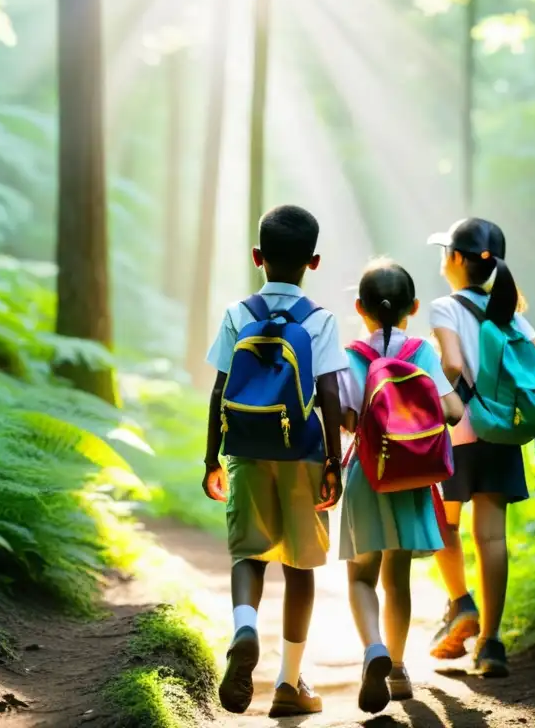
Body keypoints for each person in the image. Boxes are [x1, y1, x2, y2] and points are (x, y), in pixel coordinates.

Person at [203, 205, 345, 718]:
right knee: (301, 565)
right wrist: (333, 461)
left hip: (244, 449)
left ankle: (244, 627)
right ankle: (289, 682)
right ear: (315, 261)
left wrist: (210, 459)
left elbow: (220, 388)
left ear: (257, 256)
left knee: (249, 555)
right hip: (303, 452)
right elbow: (328, 390)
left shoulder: (238, 314)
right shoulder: (322, 320)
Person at [425, 218, 535, 678]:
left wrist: (446, 394)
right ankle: (491, 644)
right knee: (491, 538)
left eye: (446, 251)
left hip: (460, 431)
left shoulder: (445, 307)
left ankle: (461, 602)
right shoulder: (511, 312)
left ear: (458, 259)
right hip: (503, 435)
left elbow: (451, 362)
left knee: (444, 522)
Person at [336, 259, 464, 713]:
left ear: (359, 307)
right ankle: (397, 668)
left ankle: (372, 649)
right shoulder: (422, 352)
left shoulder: (349, 355)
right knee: (398, 578)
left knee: (361, 576)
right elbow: (451, 414)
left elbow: (346, 419)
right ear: (413, 306)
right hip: (411, 479)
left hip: (367, 476)